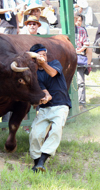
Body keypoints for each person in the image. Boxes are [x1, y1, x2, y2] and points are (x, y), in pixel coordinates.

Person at [29, 44, 71, 172]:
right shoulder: (35, 75)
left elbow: (53, 73)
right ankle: (37, 164)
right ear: (34, 59)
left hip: (61, 106)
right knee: (35, 135)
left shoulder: (55, 64)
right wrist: (45, 97)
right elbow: (44, 91)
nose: (43, 57)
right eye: (40, 55)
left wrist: (44, 63)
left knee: (56, 131)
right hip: (44, 109)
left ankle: (42, 161)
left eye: (44, 54)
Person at [74, 15, 92, 110]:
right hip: (69, 57)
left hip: (79, 56)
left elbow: (86, 43)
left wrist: (79, 50)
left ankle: (81, 103)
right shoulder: (63, 31)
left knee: (80, 81)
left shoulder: (81, 30)